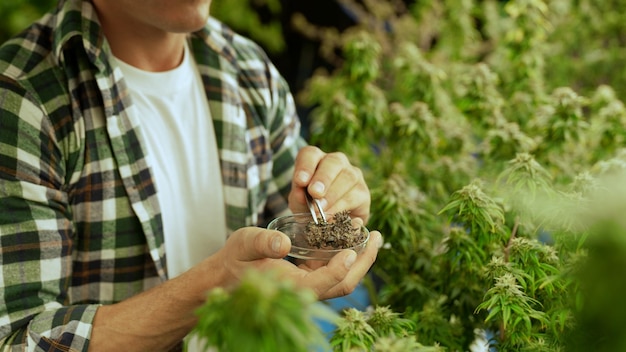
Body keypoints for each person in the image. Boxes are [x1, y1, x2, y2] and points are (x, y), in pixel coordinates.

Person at [0, 0, 383, 350]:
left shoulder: (248, 71)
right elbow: (16, 339)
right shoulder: (21, 99)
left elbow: (299, 235)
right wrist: (214, 284)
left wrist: (331, 208)